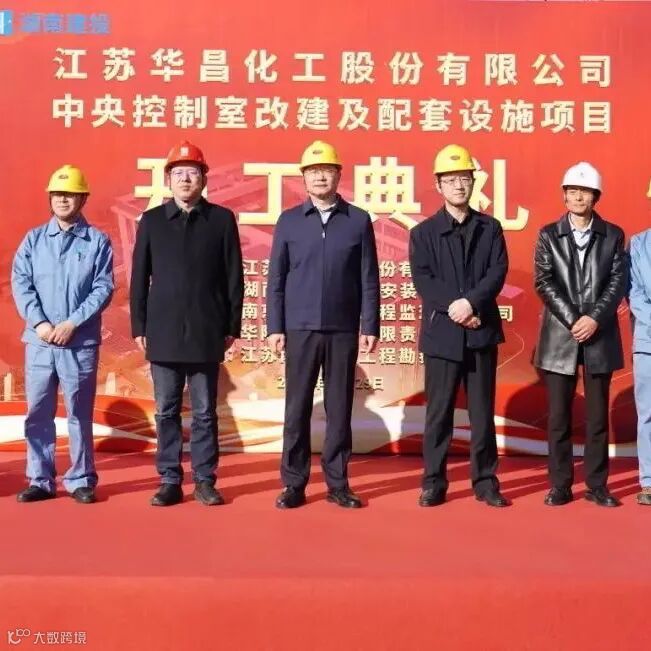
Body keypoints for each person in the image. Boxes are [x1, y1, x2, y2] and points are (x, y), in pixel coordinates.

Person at [266, 140, 380, 509]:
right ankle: (294, 483)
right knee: (296, 408)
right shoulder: (289, 221)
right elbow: (276, 278)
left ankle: (338, 483)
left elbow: (368, 277)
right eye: (313, 171)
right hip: (299, 328)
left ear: (338, 175)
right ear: (303, 177)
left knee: (339, 408)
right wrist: (275, 326)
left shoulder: (357, 220)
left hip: (343, 328)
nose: (320, 176)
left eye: (326, 170)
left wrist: (370, 325)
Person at [130, 141, 243, 507]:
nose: (185, 179)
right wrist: (139, 326)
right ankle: (169, 479)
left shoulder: (221, 220)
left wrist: (232, 325)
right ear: (168, 180)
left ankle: (205, 480)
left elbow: (234, 276)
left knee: (205, 412)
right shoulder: (152, 221)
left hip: (207, 330)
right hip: (162, 331)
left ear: (203, 179)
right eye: (178, 173)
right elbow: (138, 278)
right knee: (166, 409)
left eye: (192, 172)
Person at [409, 144, 510, 508]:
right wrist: (457, 308)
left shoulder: (490, 227)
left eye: (464, 178)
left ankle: (485, 481)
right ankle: (433, 482)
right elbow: (424, 279)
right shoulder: (423, 233)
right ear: (438, 185)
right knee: (439, 413)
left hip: (481, 332)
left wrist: (471, 303)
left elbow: (497, 271)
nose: (458, 185)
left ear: (473, 181)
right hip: (442, 334)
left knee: (482, 413)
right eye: (450, 179)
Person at [11, 164, 114, 504]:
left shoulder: (97, 242)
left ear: (83, 198)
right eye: (57, 194)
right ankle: (40, 479)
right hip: (40, 342)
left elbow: (103, 288)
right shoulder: (33, 240)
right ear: (49, 198)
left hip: (78, 342)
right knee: (38, 412)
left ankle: (81, 479)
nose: (63, 199)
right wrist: (40, 323)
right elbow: (21, 284)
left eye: (70, 194)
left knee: (78, 414)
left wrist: (73, 323)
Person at [534, 162, 627, 507]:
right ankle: (560, 484)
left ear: (595, 196)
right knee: (559, 417)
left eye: (584, 192)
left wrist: (594, 319)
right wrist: (575, 319)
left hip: (599, 334)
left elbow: (617, 282)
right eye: (572, 191)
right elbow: (544, 280)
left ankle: (597, 485)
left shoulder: (613, 235)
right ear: (564, 195)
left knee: (597, 417)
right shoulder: (548, 234)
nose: (577, 197)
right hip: (560, 334)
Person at [626, 192, 651, 506]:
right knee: (648, 414)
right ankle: (649, 480)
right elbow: (634, 294)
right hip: (648, 341)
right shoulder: (639, 244)